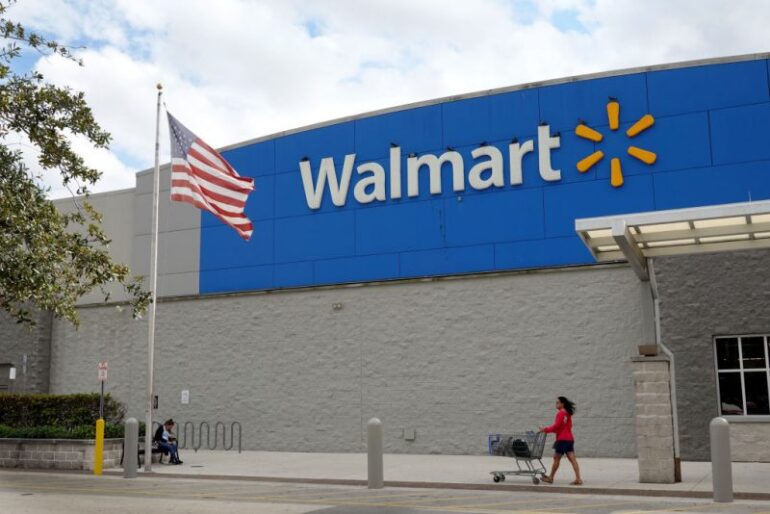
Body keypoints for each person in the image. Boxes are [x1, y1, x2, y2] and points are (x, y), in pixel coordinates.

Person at [539, 396, 582, 485]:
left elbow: (557, 426)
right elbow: (564, 427)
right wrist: (552, 430)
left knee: (556, 458)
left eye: (558, 402)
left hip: (562, 440)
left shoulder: (560, 413)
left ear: (563, 404)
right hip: (569, 439)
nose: (556, 404)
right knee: (573, 459)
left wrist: (545, 429)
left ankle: (551, 478)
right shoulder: (568, 414)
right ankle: (578, 479)